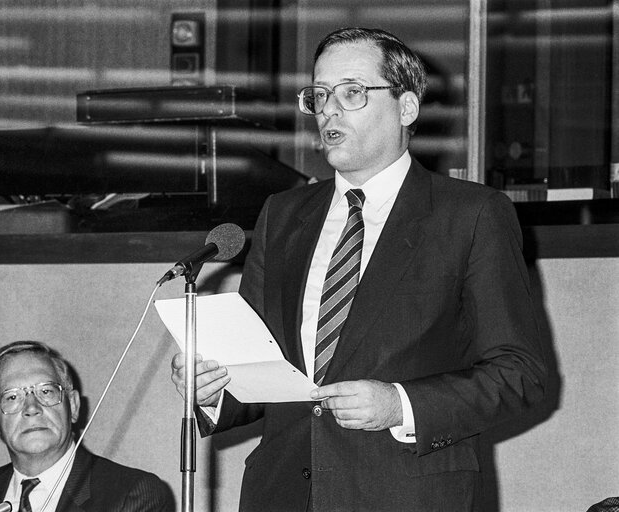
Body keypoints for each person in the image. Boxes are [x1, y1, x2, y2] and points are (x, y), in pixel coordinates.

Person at [171, 27, 547, 511]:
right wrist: (214, 388)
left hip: (408, 494)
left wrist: (400, 404)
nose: (328, 110)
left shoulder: (471, 215)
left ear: (406, 108)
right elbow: (268, 378)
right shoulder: (283, 216)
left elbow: (519, 373)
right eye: (319, 95)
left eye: (351, 93)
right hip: (283, 493)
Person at [0, 341, 174, 512]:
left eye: (46, 391)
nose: (32, 407)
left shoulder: (130, 495)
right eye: (12, 397)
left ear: (73, 406)